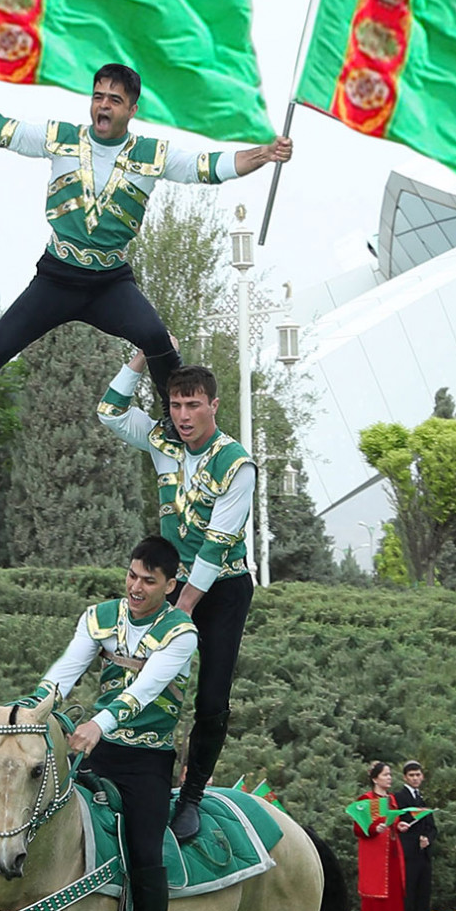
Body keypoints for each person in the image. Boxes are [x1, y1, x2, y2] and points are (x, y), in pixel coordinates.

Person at [0, 66, 291, 410]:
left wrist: (265, 153)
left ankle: (176, 425)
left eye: (114, 100)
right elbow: (2, 129)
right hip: (56, 277)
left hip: (109, 283)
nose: (104, 106)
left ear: (132, 109)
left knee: (157, 339)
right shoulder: (61, 139)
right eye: (98, 97)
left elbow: (206, 167)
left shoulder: (151, 154)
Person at [21, 534, 198, 911]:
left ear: (171, 584)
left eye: (149, 581)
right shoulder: (100, 617)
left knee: (144, 847)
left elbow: (146, 689)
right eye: (132, 576)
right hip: (96, 751)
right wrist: (31, 709)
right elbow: (66, 670)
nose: (136, 588)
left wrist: (99, 722)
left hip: (147, 760)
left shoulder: (181, 632)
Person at [97, 352, 255, 840]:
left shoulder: (237, 463)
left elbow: (217, 543)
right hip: (172, 586)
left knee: (210, 699)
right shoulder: (163, 439)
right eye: (176, 404)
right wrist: (138, 360)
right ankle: (125, 777)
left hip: (221, 589)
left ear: (214, 405)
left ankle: (192, 796)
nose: (183, 415)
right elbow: (109, 411)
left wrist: (181, 610)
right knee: (142, 678)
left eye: (193, 404)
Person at [353, 761, 410, 911]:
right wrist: (372, 829)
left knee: (394, 901)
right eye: (385, 775)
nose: (389, 778)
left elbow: (392, 822)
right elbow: (358, 827)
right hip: (375, 858)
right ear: (375, 778)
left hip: (393, 856)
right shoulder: (366, 799)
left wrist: (399, 826)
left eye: (390, 775)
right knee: (377, 901)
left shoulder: (392, 799)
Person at [394, 760, 439, 911]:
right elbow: (399, 824)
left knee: (423, 896)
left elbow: (432, 826)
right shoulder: (399, 798)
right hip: (408, 854)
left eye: (418, 775)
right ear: (405, 777)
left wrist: (427, 838)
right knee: (408, 896)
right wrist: (414, 838)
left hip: (423, 855)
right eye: (411, 775)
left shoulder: (423, 799)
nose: (415, 778)